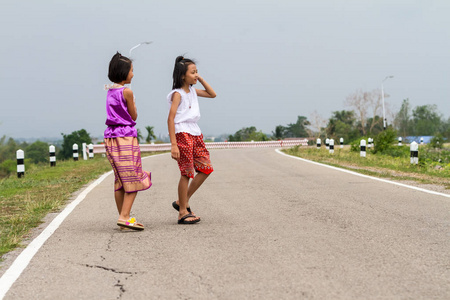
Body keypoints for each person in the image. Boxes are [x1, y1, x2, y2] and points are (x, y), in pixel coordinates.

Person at [104, 52, 152, 231]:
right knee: (133, 177)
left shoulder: (109, 90)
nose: (133, 74)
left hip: (111, 137)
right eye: (131, 70)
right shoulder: (127, 92)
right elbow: (134, 115)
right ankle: (124, 217)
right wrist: (134, 103)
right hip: (125, 137)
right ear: (124, 72)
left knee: (120, 179)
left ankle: (123, 218)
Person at [167, 56, 216, 224]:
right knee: (186, 172)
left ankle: (183, 200)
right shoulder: (177, 94)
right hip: (182, 133)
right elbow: (171, 118)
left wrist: (200, 79)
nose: (196, 75)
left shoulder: (193, 91)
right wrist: (174, 144)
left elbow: (212, 94)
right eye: (193, 72)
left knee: (206, 168)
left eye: (197, 72)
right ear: (182, 76)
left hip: (195, 132)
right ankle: (182, 212)